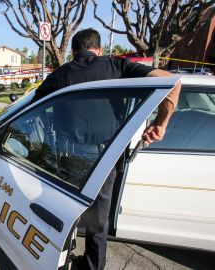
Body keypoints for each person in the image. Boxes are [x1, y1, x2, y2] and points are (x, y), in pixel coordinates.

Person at [34, 28, 181, 270]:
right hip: (106, 158)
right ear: (99, 50)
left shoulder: (60, 75)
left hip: (68, 158)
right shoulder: (118, 66)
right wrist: (160, 124)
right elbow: (173, 82)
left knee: (65, 214)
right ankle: (93, 266)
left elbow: (35, 108)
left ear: (73, 52)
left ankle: (58, 262)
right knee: (98, 222)